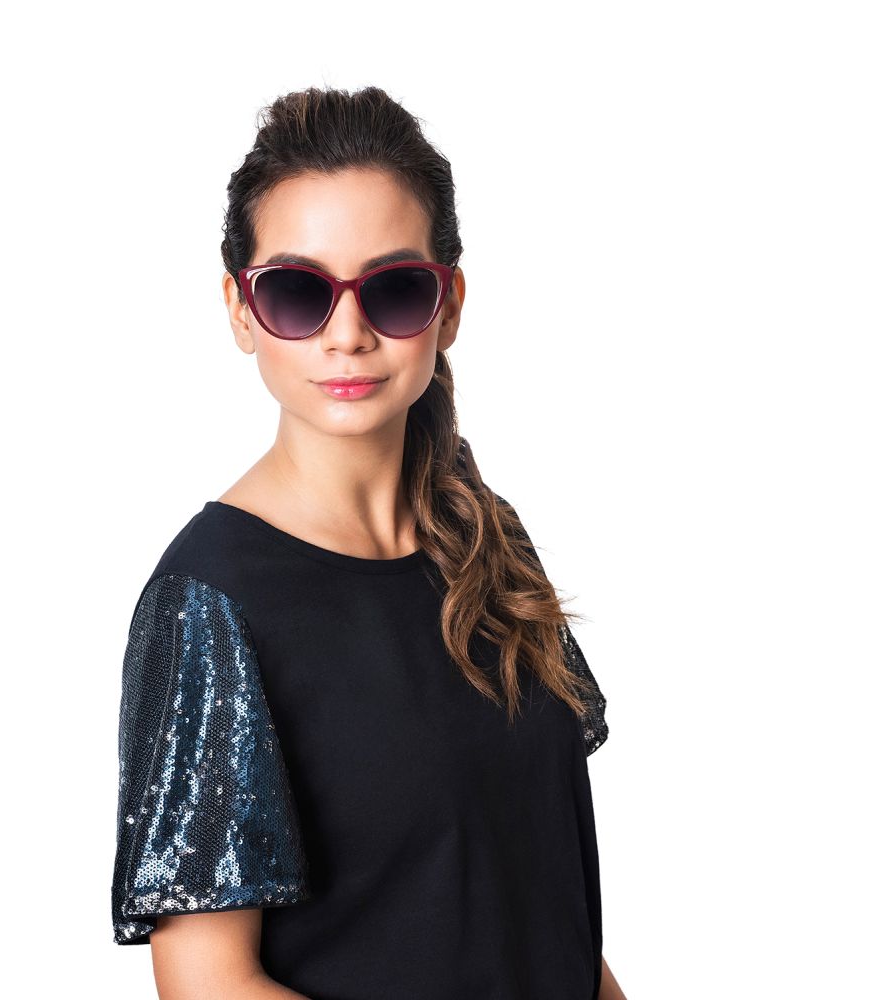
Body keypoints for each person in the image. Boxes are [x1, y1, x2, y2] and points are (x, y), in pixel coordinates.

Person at [110, 84, 627, 1000]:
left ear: (448, 304)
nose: (346, 335)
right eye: (297, 292)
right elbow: (208, 984)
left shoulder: (486, 536)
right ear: (240, 309)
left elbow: (542, 906)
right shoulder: (211, 602)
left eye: (393, 289)